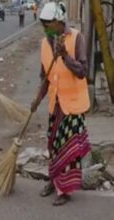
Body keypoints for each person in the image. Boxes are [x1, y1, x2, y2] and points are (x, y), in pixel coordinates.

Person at [31, 2, 91, 206]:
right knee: (53, 145)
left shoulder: (76, 38)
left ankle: (64, 189)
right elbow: (44, 77)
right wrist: (37, 99)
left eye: (48, 24)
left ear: (59, 22)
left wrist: (65, 55)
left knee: (68, 149)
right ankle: (53, 180)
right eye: (43, 25)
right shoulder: (44, 43)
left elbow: (83, 71)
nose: (45, 29)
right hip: (55, 105)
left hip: (73, 105)